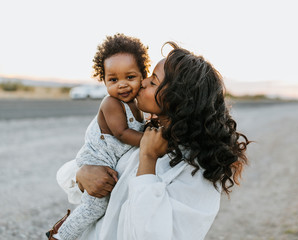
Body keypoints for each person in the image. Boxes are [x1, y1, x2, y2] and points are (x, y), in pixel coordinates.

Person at [51, 42, 249, 240]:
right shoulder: (143, 133)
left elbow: (150, 233)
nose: (143, 82)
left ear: (179, 99)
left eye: (153, 81)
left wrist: (148, 159)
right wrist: (82, 174)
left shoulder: (196, 169)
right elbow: (73, 172)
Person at [46, 33, 151, 240]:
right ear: (103, 80)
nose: (121, 85)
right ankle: (60, 236)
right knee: (95, 208)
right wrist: (150, 142)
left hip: (109, 160)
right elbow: (122, 133)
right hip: (95, 160)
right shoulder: (111, 103)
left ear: (142, 75)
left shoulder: (139, 105)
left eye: (130, 77)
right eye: (113, 79)